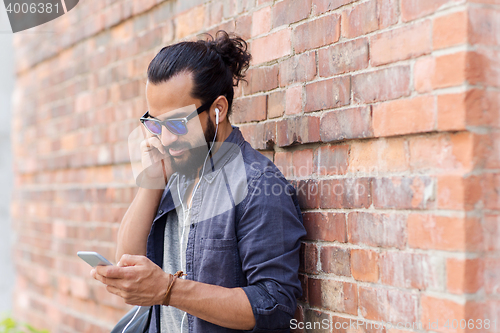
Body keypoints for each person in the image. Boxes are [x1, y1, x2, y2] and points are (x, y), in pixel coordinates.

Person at [91, 30, 306, 333]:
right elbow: (128, 262)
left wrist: (169, 290)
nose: (164, 138)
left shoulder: (257, 186)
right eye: (155, 123)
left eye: (177, 123)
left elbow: (275, 306)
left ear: (218, 110)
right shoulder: (175, 169)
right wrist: (151, 182)